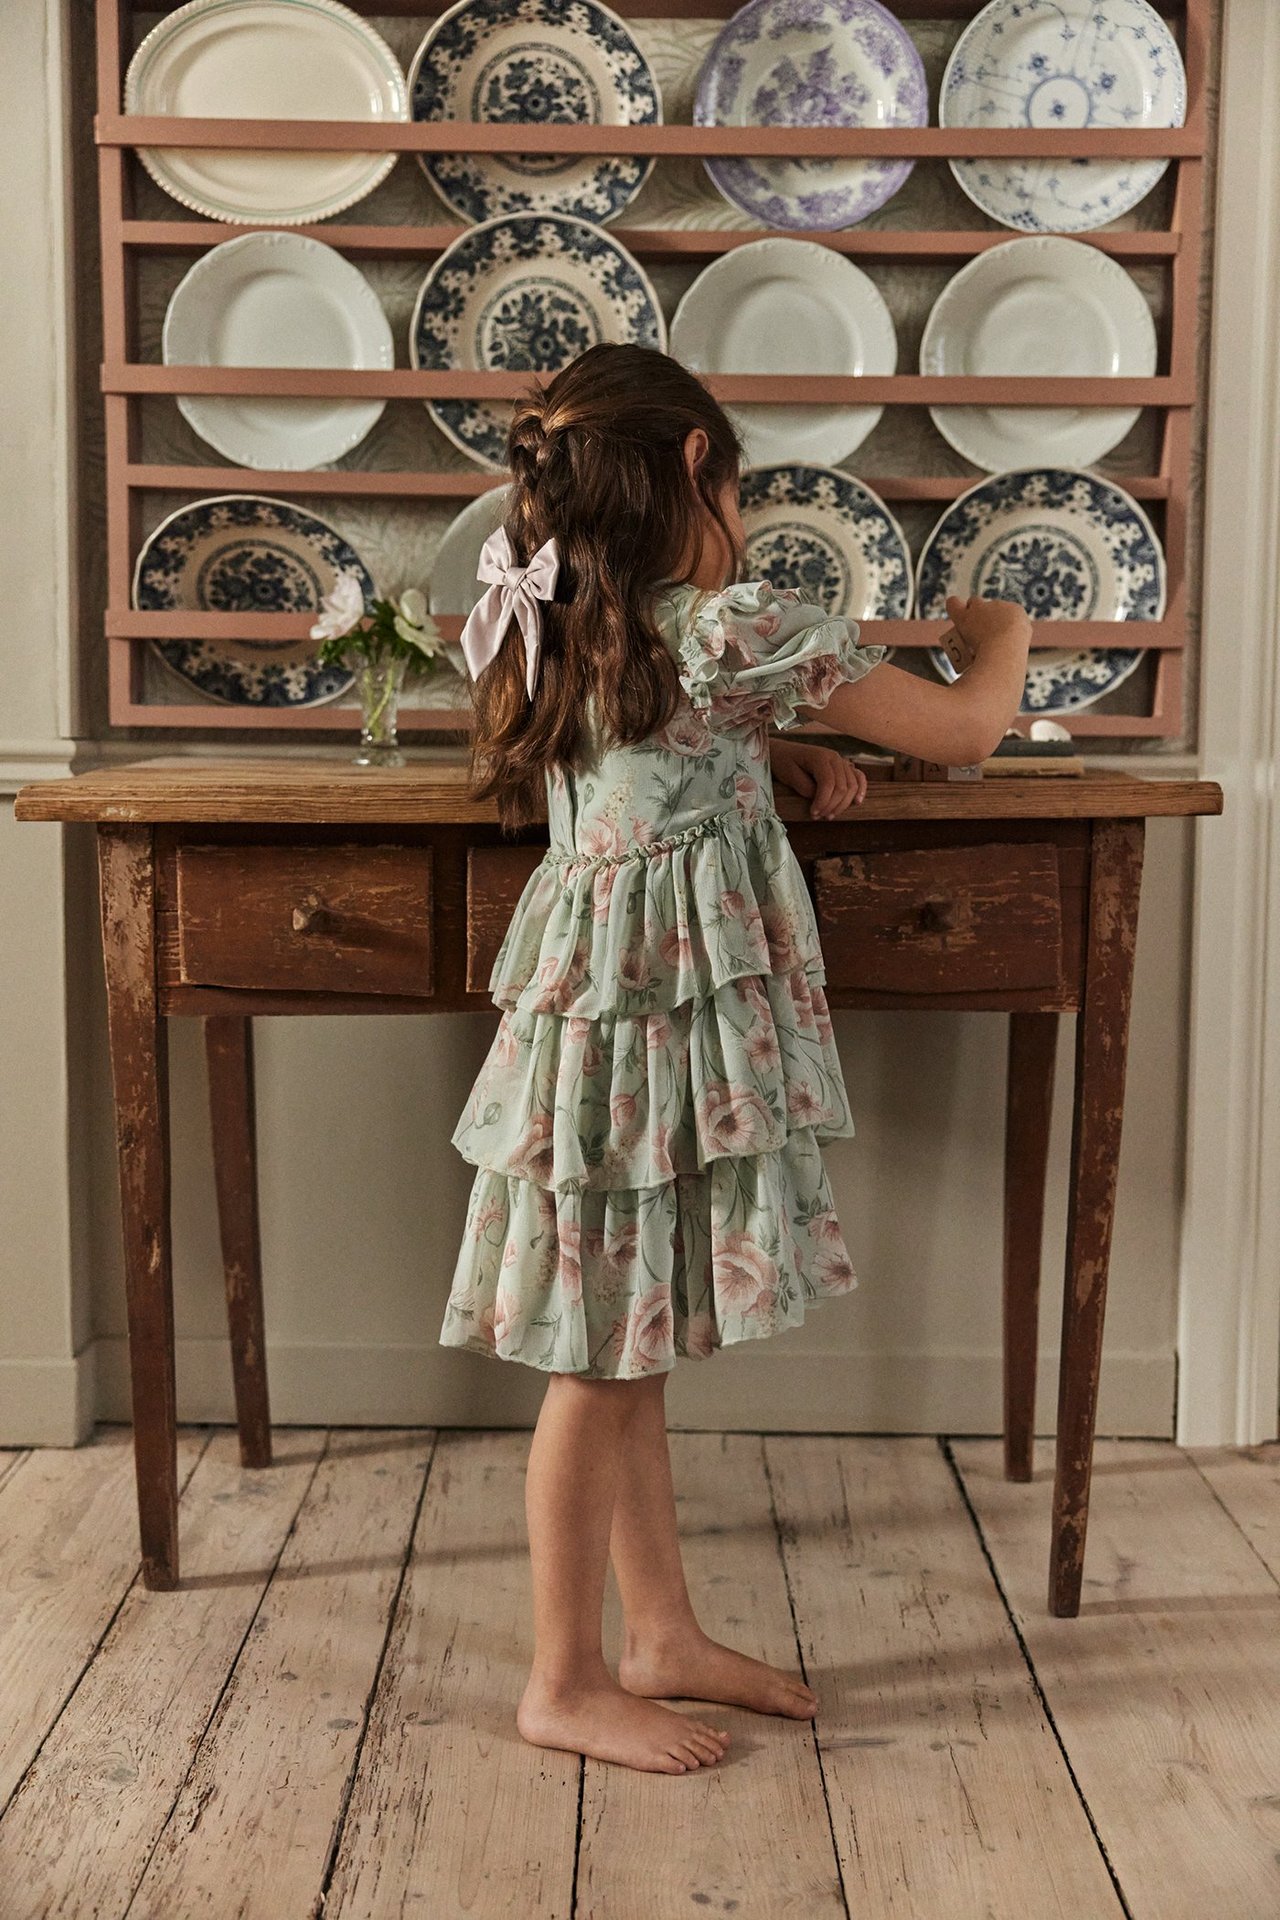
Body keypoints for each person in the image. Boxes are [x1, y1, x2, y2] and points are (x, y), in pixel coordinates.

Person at [439, 344, 1032, 1776]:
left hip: (601, 1033)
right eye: (742, 482)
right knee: (596, 1364)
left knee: (626, 1343)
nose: (745, 513)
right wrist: (1000, 631)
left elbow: (645, 758)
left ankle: (660, 1637)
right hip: (648, 1035)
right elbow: (965, 727)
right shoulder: (736, 620)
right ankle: (562, 1680)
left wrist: (770, 761)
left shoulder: (575, 617)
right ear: (698, 462)